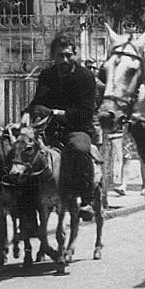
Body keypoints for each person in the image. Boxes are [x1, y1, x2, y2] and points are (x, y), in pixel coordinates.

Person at [26, 34, 98, 219]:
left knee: (80, 149)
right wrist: (30, 113)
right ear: (53, 56)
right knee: (23, 149)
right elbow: (37, 101)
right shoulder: (47, 75)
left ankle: (87, 199)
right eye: (60, 55)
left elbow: (86, 111)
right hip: (48, 129)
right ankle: (26, 203)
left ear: (75, 54)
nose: (64, 60)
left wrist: (56, 113)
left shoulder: (86, 77)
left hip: (77, 128)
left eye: (68, 55)